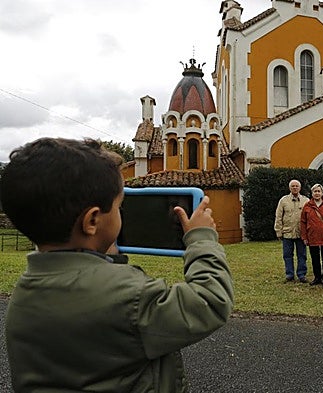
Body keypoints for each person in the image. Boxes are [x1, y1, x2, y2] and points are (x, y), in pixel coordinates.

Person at [0, 137, 234, 393]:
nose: (122, 214)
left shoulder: (23, 297)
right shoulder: (130, 297)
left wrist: (100, 252)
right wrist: (200, 239)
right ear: (92, 221)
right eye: (119, 206)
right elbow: (210, 301)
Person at [274, 179, 310, 283]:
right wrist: (278, 230)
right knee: (287, 255)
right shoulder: (283, 200)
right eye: (293, 186)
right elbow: (278, 216)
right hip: (287, 232)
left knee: (302, 255)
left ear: (300, 188)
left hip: (301, 233)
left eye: (296, 186)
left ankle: (301, 274)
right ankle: (289, 274)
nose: (295, 188)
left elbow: (310, 218)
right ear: (290, 188)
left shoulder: (306, 201)